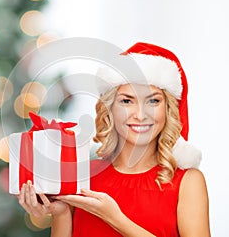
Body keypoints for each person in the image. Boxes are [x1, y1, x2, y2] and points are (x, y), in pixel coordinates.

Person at [18, 42, 211, 237]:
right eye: (127, 101)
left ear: (168, 109)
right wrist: (60, 213)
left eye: (153, 101)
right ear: (109, 109)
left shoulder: (187, 182)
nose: (141, 115)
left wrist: (115, 218)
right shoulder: (83, 176)